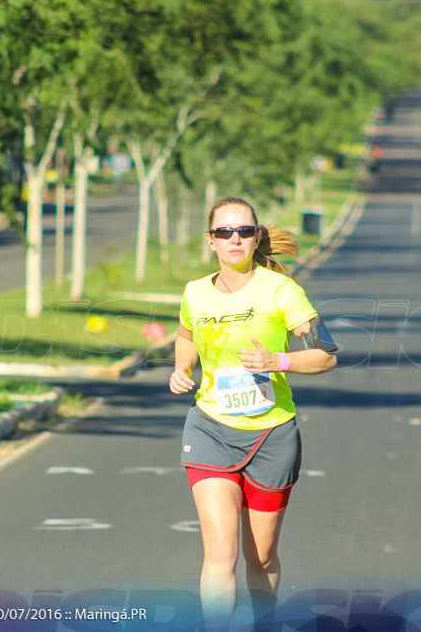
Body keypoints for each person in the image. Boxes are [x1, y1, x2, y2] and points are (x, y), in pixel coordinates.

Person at [169, 196, 338, 628]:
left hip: (271, 436)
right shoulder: (195, 293)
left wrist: (277, 362)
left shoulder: (282, 291)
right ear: (211, 240)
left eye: (244, 231)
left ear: (257, 236)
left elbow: (325, 355)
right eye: (224, 232)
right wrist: (180, 368)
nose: (235, 239)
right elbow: (187, 333)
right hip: (210, 428)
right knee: (219, 552)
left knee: (259, 557)